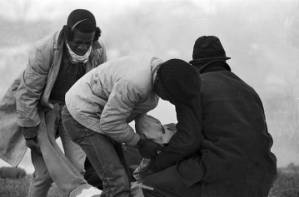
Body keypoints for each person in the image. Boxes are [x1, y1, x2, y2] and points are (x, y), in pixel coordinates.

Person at [139, 36, 277, 197]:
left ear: (196, 65)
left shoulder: (191, 88)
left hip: (222, 175)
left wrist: (155, 165)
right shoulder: (248, 89)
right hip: (263, 175)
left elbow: (188, 140)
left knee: (148, 186)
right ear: (223, 61)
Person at [0, 9, 106, 197]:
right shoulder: (45, 50)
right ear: (67, 35)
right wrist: (29, 129)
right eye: (77, 42)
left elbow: (99, 89)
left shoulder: (97, 52)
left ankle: (78, 192)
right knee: (44, 173)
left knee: (77, 167)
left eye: (87, 43)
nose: (82, 47)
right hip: (43, 110)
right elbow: (27, 94)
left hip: (74, 111)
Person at [61, 55, 164, 197]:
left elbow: (129, 116)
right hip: (82, 115)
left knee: (125, 182)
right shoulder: (135, 83)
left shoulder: (157, 82)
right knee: (118, 183)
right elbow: (110, 123)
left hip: (104, 118)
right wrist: (140, 143)